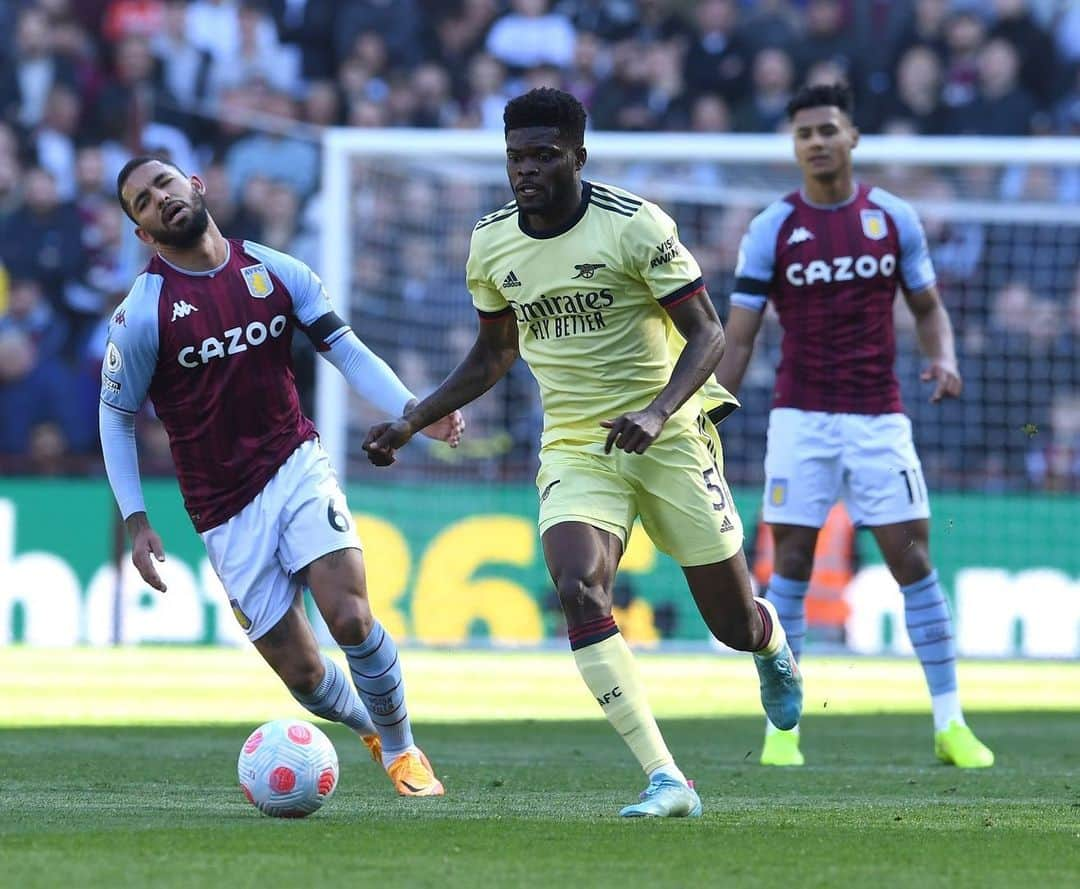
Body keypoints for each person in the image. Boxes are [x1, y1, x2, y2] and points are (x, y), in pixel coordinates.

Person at [363, 87, 803, 818]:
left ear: (578, 156)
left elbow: (709, 333)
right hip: (575, 442)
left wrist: (659, 411)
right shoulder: (491, 242)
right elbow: (494, 351)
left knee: (731, 624)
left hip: (667, 433)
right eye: (515, 158)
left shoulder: (634, 226)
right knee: (577, 586)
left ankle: (771, 645)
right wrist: (414, 419)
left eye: (543, 156)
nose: (525, 171)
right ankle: (667, 778)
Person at [100, 156, 465, 796]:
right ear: (142, 233)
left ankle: (405, 751)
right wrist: (136, 520)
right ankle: (369, 729)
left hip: (295, 463)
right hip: (221, 508)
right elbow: (116, 419)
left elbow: (344, 347)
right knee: (303, 675)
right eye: (141, 202)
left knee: (349, 618)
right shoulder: (141, 315)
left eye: (164, 184)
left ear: (196, 185)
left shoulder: (276, 270)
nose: (159, 199)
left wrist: (415, 411)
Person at [715, 83, 994, 769]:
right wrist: (710, 403)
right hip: (799, 417)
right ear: (795, 146)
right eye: (804, 132)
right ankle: (784, 731)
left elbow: (928, 306)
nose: (816, 141)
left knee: (914, 561)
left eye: (827, 129)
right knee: (792, 567)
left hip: (879, 416)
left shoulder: (892, 217)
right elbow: (741, 334)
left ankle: (950, 723)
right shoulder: (771, 227)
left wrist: (944, 357)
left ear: (852, 138)